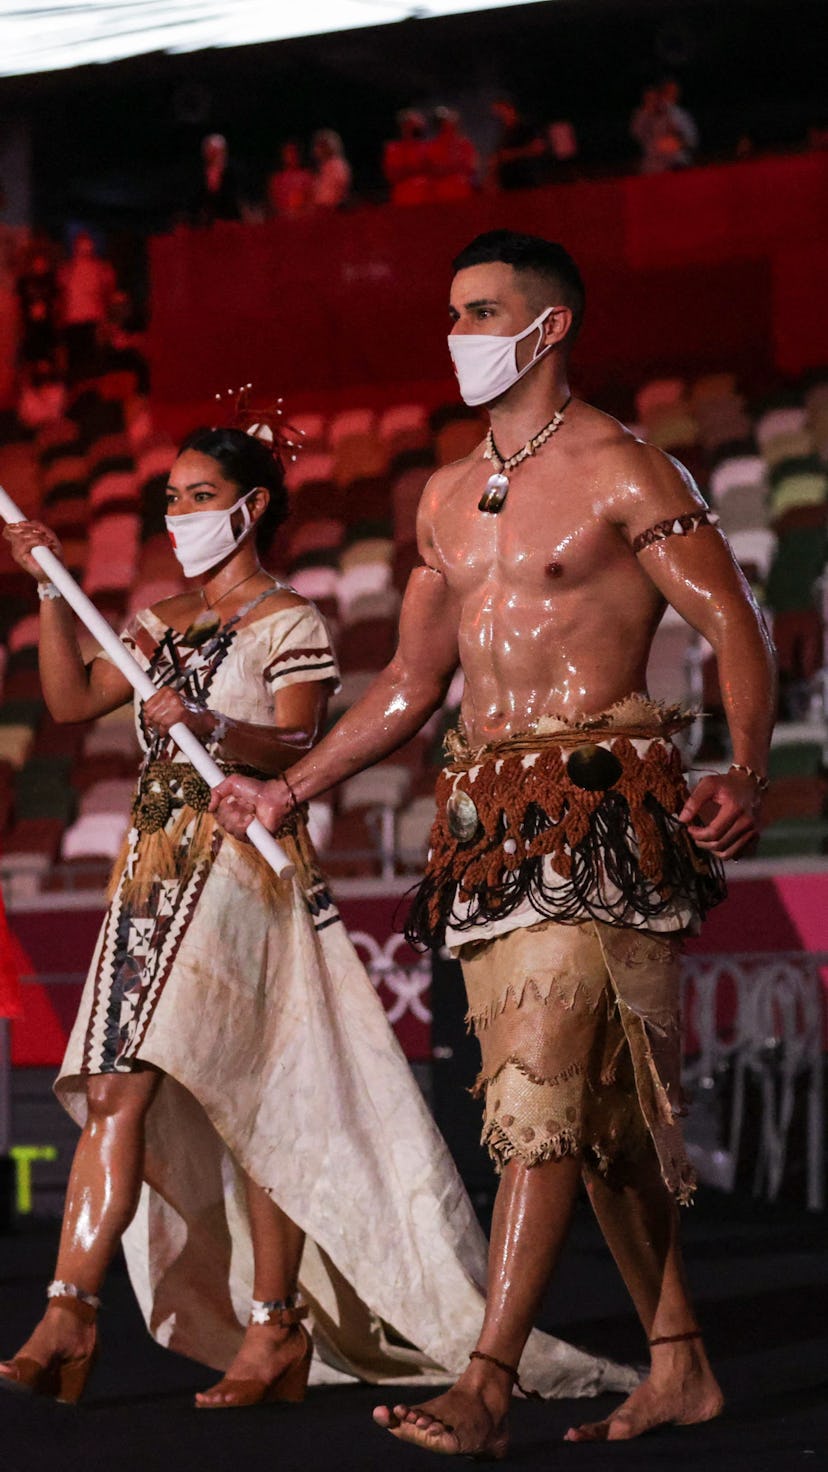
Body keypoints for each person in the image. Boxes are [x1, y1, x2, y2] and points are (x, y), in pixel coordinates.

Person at [212, 229, 777, 1456]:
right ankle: (678, 1360)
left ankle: (487, 1378)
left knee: (538, 1093)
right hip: (485, 828)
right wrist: (290, 785)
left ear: (549, 323)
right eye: (452, 311)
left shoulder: (630, 470)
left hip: (604, 808)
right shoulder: (441, 496)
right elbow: (411, 686)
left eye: (480, 309)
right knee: (604, 1114)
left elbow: (735, 620)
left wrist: (746, 764)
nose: (457, 332)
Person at [0, 406, 631, 1412]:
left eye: (198, 497)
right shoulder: (159, 619)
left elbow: (297, 749)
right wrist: (48, 591)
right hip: (152, 874)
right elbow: (72, 703)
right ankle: (69, 1309)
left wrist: (210, 722)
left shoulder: (292, 622)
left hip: (243, 873)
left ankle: (273, 1327)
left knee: (250, 1099)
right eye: (171, 497)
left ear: (251, 510)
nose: (178, 513)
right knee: (115, 1083)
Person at [59, 231, 116, 382]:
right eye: (81, 244)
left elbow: (108, 294)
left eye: (87, 244)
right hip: (73, 321)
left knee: (94, 364)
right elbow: (61, 296)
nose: (85, 248)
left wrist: (105, 320)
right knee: (76, 364)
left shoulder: (100, 269)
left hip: (93, 319)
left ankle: (93, 398)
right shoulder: (67, 270)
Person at [630, 81, 699, 174]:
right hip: (653, 168)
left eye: (655, 98)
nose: (653, 102)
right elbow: (636, 133)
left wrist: (678, 142)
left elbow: (691, 141)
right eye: (648, 99)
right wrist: (646, 112)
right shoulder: (641, 117)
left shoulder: (677, 114)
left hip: (676, 165)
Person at [426, 108, 477, 202]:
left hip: (461, 190)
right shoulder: (432, 146)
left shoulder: (464, 144)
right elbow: (432, 169)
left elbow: (470, 167)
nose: (446, 124)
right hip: (440, 192)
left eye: (448, 121)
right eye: (443, 122)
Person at [383, 110, 431, 206]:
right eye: (409, 125)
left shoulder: (427, 147)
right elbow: (392, 174)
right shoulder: (393, 148)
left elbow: (433, 170)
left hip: (426, 195)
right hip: (404, 196)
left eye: (415, 125)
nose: (412, 128)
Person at [193, 133, 241, 225]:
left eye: (215, 152)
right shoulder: (199, 173)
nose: (211, 155)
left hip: (230, 220)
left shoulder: (234, 172)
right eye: (209, 151)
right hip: (207, 221)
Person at [267, 141, 314, 218]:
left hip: (303, 220)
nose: (292, 155)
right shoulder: (277, 179)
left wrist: (300, 213)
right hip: (282, 219)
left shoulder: (306, 176)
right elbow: (272, 202)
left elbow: (311, 201)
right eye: (288, 152)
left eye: (294, 152)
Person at [310, 130, 351, 210]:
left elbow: (340, 189)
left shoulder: (338, 165)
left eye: (322, 147)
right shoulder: (321, 166)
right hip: (321, 209)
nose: (317, 150)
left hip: (333, 209)